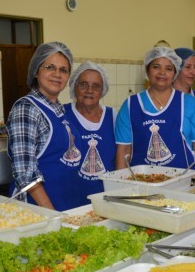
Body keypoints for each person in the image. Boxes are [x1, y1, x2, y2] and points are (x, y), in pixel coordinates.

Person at [115, 47, 195, 177]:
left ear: (175, 73)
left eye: (168, 68)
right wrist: (120, 187)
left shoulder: (189, 103)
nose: (162, 72)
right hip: (142, 184)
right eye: (156, 67)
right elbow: (124, 150)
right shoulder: (130, 105)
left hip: (184, 182)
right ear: (147, 70)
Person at [7, 41, 81, 211]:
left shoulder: (59, 109)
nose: (57, 74)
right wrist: (51, 212)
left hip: (66, 203)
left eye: (63, 70)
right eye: (50, 67)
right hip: (38, 210)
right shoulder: (26, 109)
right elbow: (25, 172)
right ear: (36, 71)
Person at [64, 61, 115, 206]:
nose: (89, 90)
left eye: (96, 86)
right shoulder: (62, 115)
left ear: (102, 90)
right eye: (83, 84)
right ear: (74, 86)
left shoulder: (113, 116)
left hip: (106, 198)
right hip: (70, 199)